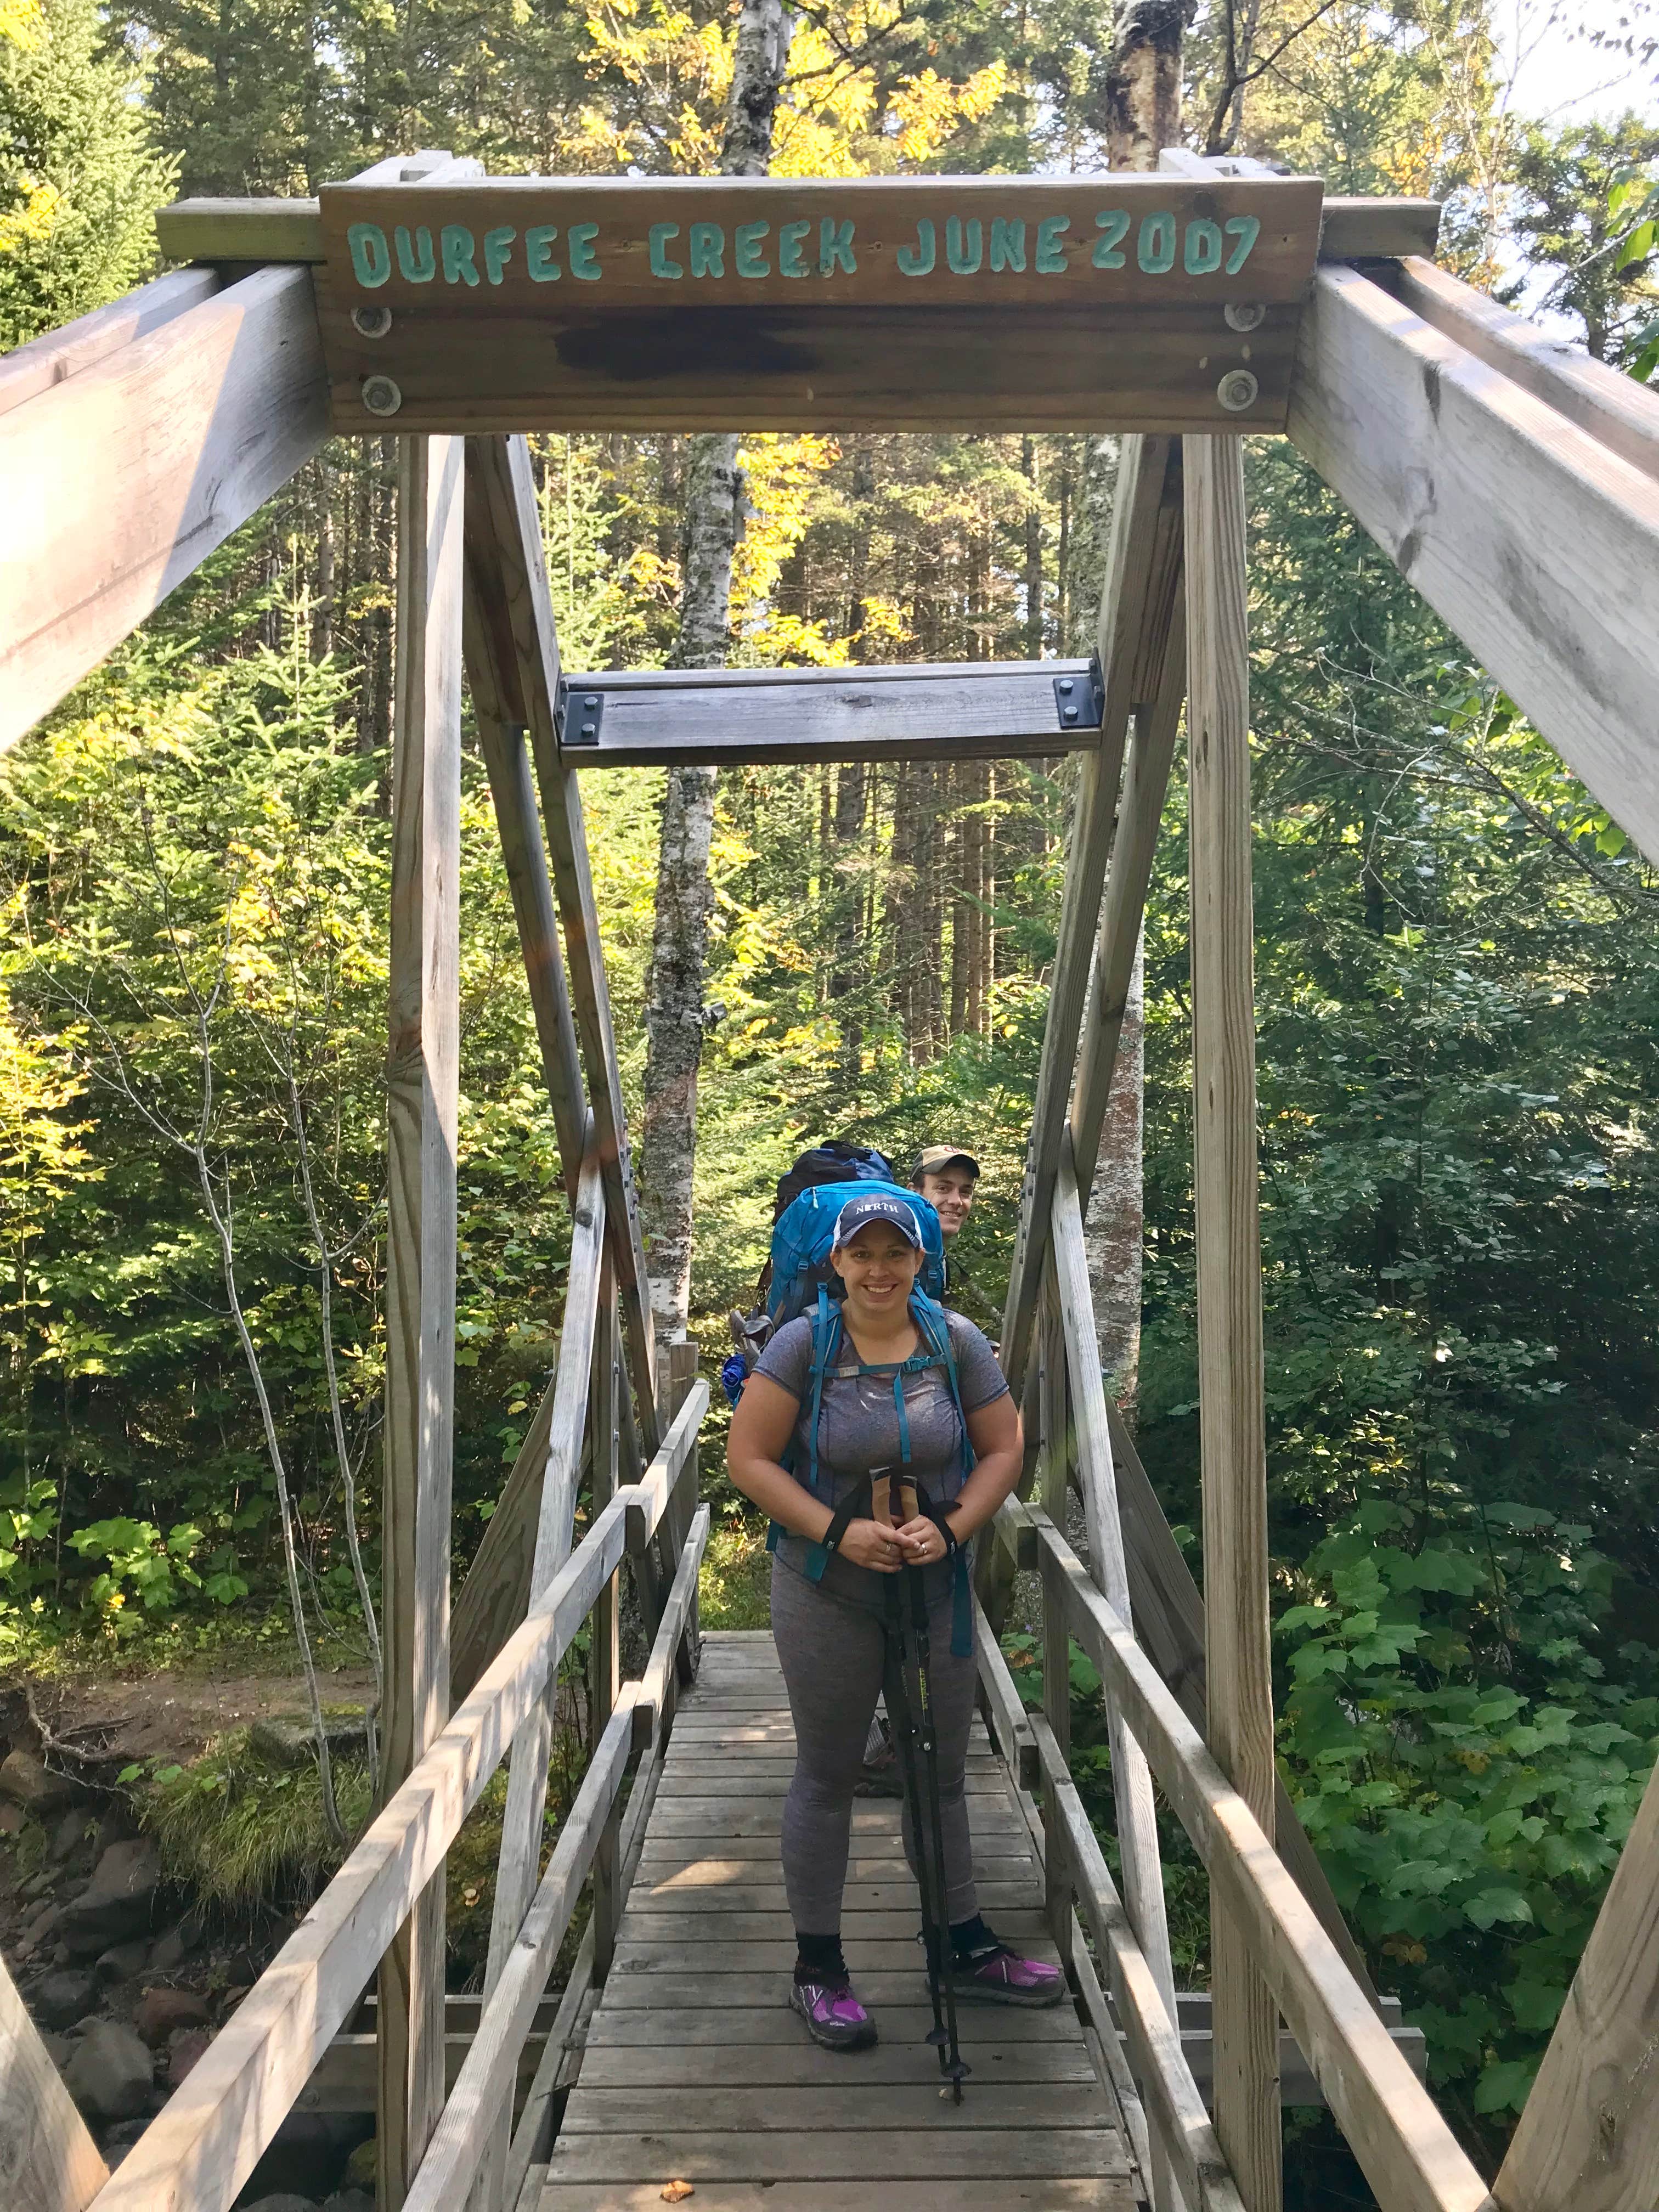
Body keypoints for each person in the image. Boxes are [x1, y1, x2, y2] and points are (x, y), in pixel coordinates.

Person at [725, 1189, 1064, 2052]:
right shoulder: (806, 1345)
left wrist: (950, 1528)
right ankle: (820, 1969)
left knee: (940, 1769)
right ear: (835, 1263)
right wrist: (838, 1532)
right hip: (824, 1588)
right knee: (829, 1772)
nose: (880, 1270)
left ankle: (962, 1946)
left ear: (921, 1261)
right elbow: (749, 1458)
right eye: (862, 1254)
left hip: (933, 1589)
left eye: (897, 1254)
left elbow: (1003, 1449)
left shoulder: (955, 1342)